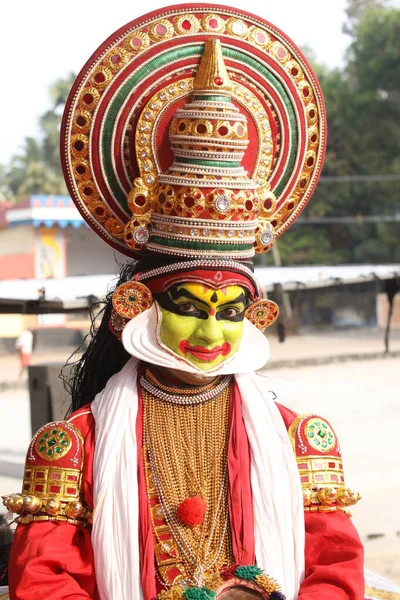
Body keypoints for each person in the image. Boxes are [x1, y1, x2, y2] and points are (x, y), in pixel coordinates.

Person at [3, 6, 400, 600]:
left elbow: (334, 573)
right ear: (136, 304)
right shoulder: (73, 447)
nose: (212, 333)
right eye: (190, 305)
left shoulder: (300, 440)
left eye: (232, 311)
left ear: (257, 315)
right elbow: (44, 581)